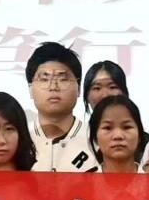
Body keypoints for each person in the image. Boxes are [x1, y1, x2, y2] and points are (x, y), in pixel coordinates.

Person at [26, 42, 98, 172]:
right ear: (30, 89)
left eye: (63, 79)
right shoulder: (18, 141)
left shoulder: (97, 140)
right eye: (44, 79)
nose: (53, 87)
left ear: (79, 89)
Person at [91, 94, 143, 174]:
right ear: (95, 137)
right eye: (107, 128)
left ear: (139, 135)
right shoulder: (81, 181)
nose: (118, 136)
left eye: (127, 127)